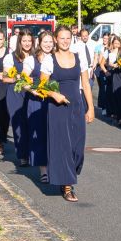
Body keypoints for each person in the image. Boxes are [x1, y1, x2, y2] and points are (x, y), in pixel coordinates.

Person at [43, 26, 94, 202]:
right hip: (57, 108)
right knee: (63, 146)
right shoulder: (49, 60)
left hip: (77, 105)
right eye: (61, 38)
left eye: (68, 38)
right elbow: (42, 86)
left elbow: (86, 84)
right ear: (55, 39)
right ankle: (67, 185)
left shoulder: (79, 58)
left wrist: (91, 108)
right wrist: (54, 94)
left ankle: (68, 174)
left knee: (78, 147)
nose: (65, 41)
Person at [27, 31, 56, 181]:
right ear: (39, 43)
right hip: (37, 102)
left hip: (54, 102)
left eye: (50, 42)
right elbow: (23, 81)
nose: (48, 44)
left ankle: (55, 167)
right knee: (40, 136)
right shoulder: (32, 60)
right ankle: (43, 170)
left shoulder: (57, 58)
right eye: (45, 42)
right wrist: (34, 91)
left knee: (54, 135)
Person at [4, 32, 34, 166]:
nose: (27, 43)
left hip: (32, 93)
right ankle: (23, 155)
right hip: (16, 93)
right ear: (19, 42)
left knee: (32, 124)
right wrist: (19, 77)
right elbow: (5, 78)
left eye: (29, 41)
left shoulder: (37, 56)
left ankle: (32, 152)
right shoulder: (11, 58)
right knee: (19, 125)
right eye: (24, 41)